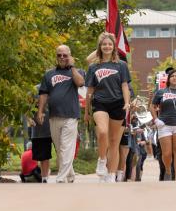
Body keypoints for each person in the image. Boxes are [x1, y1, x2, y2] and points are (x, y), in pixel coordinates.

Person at [84, 32, 131, 183]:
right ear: (100, 46)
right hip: (100, 103)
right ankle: (102, 160)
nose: (107, 46)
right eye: (104, 44)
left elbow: (125, 86)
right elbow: (90, 90)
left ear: (114, 47)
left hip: (117, 103)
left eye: (110, 44)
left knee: (114, 143)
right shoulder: (94, 66)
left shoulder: (121, 65)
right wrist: (86, 111)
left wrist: (127, 102)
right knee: (103, 132)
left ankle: (111, 175)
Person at [37, 45, 85, 183]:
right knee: (60, 149)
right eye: (59, 55)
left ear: (70, 56)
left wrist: (72, 67)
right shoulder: (49, 74)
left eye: (65, 55)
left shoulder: (77, 71)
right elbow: (43, 94)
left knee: (66, 148)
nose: (62, 57)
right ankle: (70, 175)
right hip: (53, 116)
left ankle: (61, 177)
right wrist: (40, 111)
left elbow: (81, 82)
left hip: (70, 115)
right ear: (56, 57)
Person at [31, 88, 52, 183]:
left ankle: (66, 174)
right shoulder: (33, 91)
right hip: (39, 130)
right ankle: (44, 178)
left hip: (54, 126)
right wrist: (29, 120)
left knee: (61, 152)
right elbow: (26, 109)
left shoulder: (55, 89)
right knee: (43, 156)